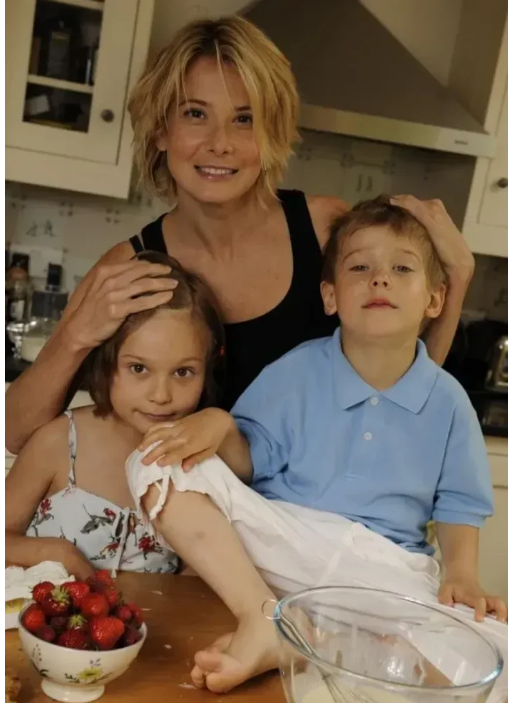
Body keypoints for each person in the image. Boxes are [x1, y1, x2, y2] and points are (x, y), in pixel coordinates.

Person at [6, 16, 475, 455]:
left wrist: (457, 277)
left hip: (322, 508)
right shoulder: (129, 267)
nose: (220, 142)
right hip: (183, 514)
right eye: (195, 113)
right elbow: (14, 432)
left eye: (245, 119)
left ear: (272, 134)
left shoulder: (326, 229)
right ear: (161, 130)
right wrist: (76, 335)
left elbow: (408, 398)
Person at [126, 197, 507, 694]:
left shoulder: (449, 401)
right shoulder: (295, 370)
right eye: (360, 268)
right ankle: (264, 618)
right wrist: (219, 425)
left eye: (401, 268)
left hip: (386, 573)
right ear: (330, 296)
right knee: (154, 460)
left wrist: (462, 574)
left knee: (498, 659)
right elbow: (249, 461)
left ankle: (312, 639)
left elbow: (459, 503)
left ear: (434, 300)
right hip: (284, 545)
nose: (380, 279)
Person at [5, 254, 223, 579]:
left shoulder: (201, 461)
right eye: (138, 368)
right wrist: (53, 552)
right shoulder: (58, 442)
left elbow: (203, 579)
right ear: (107, 363)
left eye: (183, 372)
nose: (161, 395)